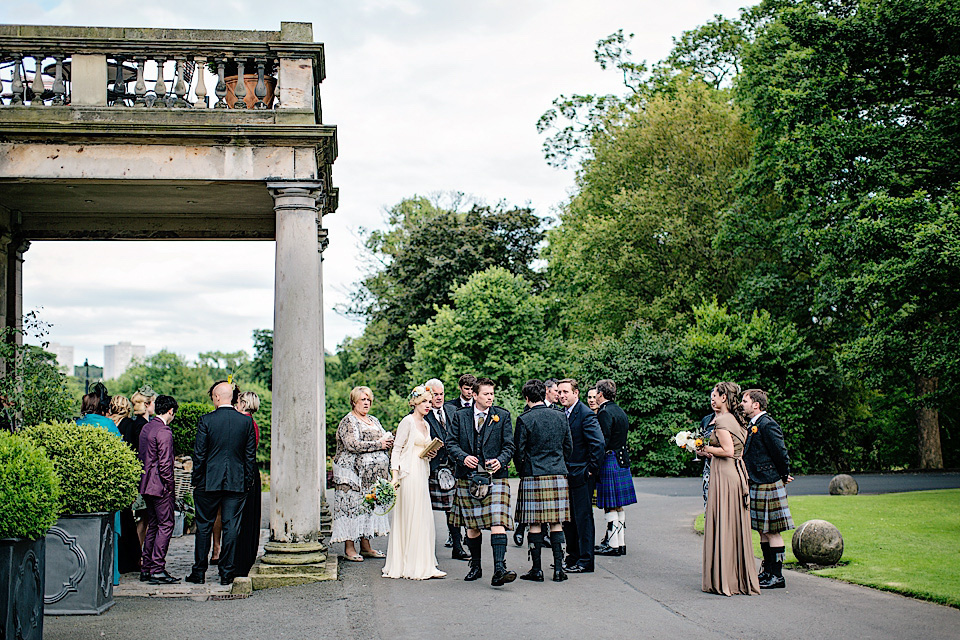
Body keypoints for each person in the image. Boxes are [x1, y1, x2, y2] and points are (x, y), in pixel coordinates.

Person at [446, 377, 517, 586]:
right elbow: (450, 443)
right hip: (468, 477)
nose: (490, 397)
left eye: (492, 394)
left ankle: (499, 569)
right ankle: (475, 566)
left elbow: (509, 446)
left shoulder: (501, 416)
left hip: (495, 477)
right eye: (486, 394)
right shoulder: (460, 416)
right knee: (472, 525)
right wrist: (463, 457)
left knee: (498, 521)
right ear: (474, 395)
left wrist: (501, 460)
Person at [186, 381, 257, 586]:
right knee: (231, 527)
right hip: (236, 481)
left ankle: (199, 572)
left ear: (217, 397)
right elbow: (249, 456)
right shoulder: (245, 423)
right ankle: (227, 572)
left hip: (209, 480)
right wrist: (247, 481)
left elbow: (199, 454)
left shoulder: (206, 420)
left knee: (204, 527)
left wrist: (197, 479)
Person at [700, 381, 759, 596]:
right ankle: (733, 576)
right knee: (731, 523)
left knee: (724, 522)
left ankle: (725, 579)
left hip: (725, 474)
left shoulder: (724, 420)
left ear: (724, 397)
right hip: (734, 472)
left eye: (715, 395)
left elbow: (726, 450)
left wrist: (702, 447)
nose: (712, 398)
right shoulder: (736, 419)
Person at [382, 386, 446, 580]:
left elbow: (423, 449)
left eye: (430, 401)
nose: (428, 405)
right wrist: (394, 476)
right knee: (411, 515)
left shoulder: (426, 424)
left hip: (422, 471)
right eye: (425, 401)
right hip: (408, 473)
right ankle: (408, 564)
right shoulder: (407, 422)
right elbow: (397, 449)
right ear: (415, 403)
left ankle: (424, 563)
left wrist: (431, 452)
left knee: (423, 515)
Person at [513, 379, 572, 583]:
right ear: (545, 394)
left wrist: (523, 471)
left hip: (533, 475)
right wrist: (558, 464)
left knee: (535, 524)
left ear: (527, 398)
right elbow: (568, 447)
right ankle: (558, 570)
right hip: (557, 473)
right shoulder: (560, 416)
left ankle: (537, 570)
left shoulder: (525, 419)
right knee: (557, 523)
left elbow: (518, 451)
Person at [330, 386, 393, 562]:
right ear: (354, 402)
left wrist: (388, 442)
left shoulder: (373, 420)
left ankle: (366, 546)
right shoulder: (348, 421)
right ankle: (349, 548)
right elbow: (352, 445)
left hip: (372, 477)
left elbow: (382, 439)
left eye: (368, 400)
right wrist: (379, 444)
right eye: (362, 400)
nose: (366, 403)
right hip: (352, 476)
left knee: (368, 508)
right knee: (352, 508)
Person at [741, 388, 794, 590]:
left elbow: (780, 452)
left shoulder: (767, 424)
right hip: (758, 481)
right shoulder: (753, 424)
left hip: (769, 481)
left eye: (745, 401)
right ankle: (767, 572)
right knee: (763, 531)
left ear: (756, 404)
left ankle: (777, 576)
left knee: (772, 531)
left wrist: (783, 474)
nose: (742, 404)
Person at [556, 378, 604, 573]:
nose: (562, 395)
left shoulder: (585, 414)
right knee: (569, 518)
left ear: (576, 393)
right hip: (567, 473)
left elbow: (598, 444)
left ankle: (585, 560)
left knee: (583, 518)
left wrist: (591, 469)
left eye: (565, 392)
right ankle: (572, 556)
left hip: (582, 473)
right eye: (559, 392)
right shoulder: (562, 413)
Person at [424, 378, 470, 561]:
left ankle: (457, 546)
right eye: (435, 394)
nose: (439, 397)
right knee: (426, 509)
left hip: (453, 466)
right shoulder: (423, 413)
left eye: (441, 394)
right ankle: (425, 548)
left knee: (454, 508)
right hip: (433, 468)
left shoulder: (452, 410)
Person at [138, 395, 180, 585]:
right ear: (170, 411)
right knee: (166, 524)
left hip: (145, 484)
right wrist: (170, 487)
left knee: (154, 525)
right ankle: (157, 569)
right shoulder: (164, 431)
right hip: (159, 486)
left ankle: (147, 568)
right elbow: (165, 465)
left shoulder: (147, 427)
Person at [593, 379, 636, 557]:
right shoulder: (619, 410)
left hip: (610, 459)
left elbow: (602, 440)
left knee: (610, 505)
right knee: (618, 505)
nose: (594, 395)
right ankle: (620, 543)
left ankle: (612, 545)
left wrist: (594, 461)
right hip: (621, 458)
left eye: (596, 392)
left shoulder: (604, 412)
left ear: (601, 394)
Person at [107, 395, 143, 574]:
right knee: (127, 518)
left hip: (108, 477)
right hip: (125, 477)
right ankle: (130, 560)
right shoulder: (131, 425)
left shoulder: (105, 424)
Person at [234, 391, 263, 577]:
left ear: (243, 403)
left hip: (245, 471)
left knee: (244, 518)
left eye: (238, 401)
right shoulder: (253, 423)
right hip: (252, 469)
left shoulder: (245, 423)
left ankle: (241, 560)